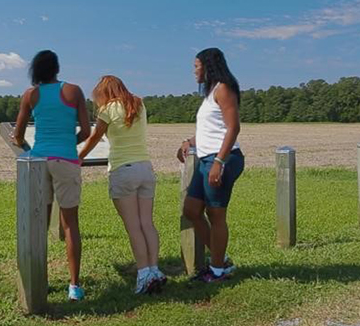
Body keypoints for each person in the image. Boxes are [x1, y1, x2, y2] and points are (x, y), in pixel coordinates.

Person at [12, 50, 91, 301]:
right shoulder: (74, 91)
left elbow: (17, 134)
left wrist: (30, 150)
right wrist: (69, 141)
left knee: (39, 224)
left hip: (38, 161)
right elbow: (87, 131)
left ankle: (39, 279)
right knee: (70, 225)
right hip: (66, 160)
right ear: (57, 68)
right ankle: (74, 286)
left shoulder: (30, 95)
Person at [79, 75, 166, 294]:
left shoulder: (107, 110)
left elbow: (94, 137)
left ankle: (143, 274)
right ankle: (155, 270)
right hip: (145, 168)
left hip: (123, 170)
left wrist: (78, 157)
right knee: (147, 223)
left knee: (133, 226)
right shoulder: (138, 103)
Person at [177, 47, 244, 283]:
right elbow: (211, 130)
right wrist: (189, 141)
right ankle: (220, 259)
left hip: (222, 159)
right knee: (192, 210)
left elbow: (233, 128)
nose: (194, 71)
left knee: (216, 215)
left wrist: (219, 161)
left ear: (208, 66)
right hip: (206, 159)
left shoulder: (224, 89)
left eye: (196, 66)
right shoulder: (210, 93)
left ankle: (217, 271)